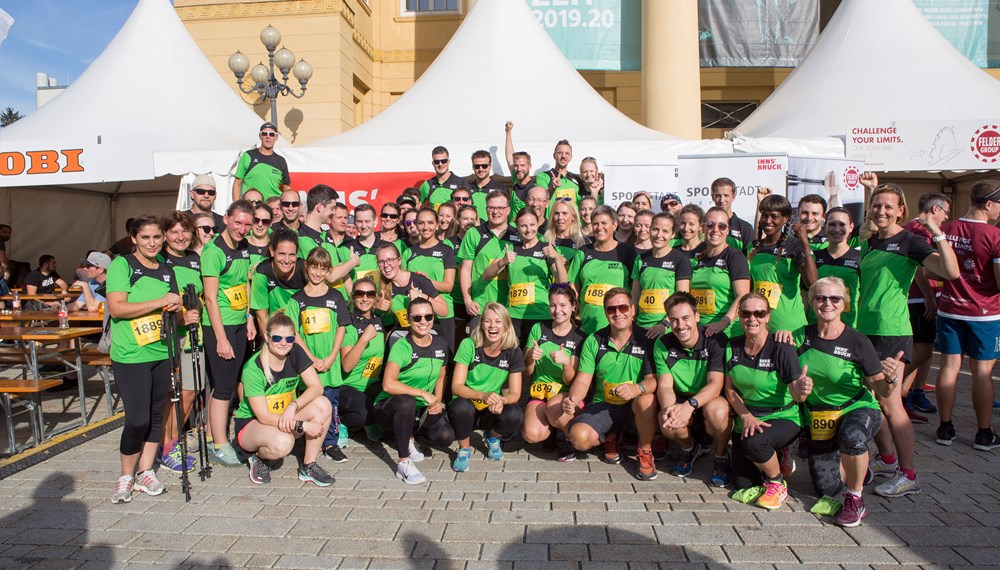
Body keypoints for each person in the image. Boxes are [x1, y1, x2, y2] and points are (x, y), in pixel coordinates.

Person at [858, 182, 958, 499]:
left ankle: (908, 474)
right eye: (877, 205)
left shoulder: (911, 241)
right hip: (865, 330)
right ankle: (887, 460)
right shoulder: (871, 240)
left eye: (889, 206)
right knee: (870, 400)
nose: (882, 210)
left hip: (891, 332)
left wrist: (936, 232)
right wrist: (869, 192)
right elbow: (866, 224)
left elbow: (950, 272)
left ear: (901, 210)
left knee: (891, 403)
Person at [106, 215, 193, 503]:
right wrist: (158, 302)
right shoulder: (123, 265)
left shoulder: (168, 270)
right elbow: (117, 308)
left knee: (156, 416)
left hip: (162, 352)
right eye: (145, 237)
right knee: (137, 419)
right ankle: (125, 476)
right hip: (131, 354)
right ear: (134, 238)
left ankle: (146, 472)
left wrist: (182, 312)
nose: (152, 243)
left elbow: (173, 314)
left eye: (157, 237)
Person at [800, 277, 894, 528]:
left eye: (835, 298)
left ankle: (855, 498)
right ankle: (860, 469)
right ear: (811, 302)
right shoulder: (799, 337)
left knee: (852, 437)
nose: (827, 303)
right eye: (820, 298)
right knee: (827, 489)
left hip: (856, 408)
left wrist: (891, 379)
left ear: (845, 304)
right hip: (818, 416)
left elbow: (881, 390)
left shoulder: (858, 342)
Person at [724, 293, 809, 510]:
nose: (753, 318)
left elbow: (798, 396)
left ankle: (777, 481)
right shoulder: (731, 346)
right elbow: (730, 390)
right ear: (739, 316)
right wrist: (745, 415)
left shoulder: (782, 347)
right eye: (745, 313)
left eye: (759, 313)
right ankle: (776, 456)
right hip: (749, 417)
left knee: (755, 443)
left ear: (768, 316)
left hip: (782, 416)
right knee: (743, 484)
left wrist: (802, 390)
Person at [562, 288, 658, 480]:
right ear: (606, 313)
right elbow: (582, 379)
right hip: (603, 405)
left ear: (632, 310)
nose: (617, 313)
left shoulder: (647, 339)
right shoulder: (594, 340)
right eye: (611, 309)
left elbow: (655, 380)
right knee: (578, 439)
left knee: (646, 400)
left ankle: (646, 451)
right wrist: (573, 398)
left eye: (623, 307)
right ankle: (610, 436)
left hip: (635, 406)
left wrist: (636, 389)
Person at [933, 180, 1000, 450]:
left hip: (949, 308)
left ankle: (945, 428)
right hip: (984, 313)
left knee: (949, 367)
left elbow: (930, 272)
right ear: (988, 204)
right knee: (982, 373)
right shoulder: (995, 236)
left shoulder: (946, 229)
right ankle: (984, 434)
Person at [233, 312, 334, 486]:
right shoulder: (253, 368)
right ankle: (256, 456)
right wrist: (303, 425)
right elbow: (264, 416)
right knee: (283, 443)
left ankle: (308, 466)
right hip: (254, 424)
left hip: (284, 417)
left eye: (289, 339)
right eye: (277, 338)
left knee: (323, 405)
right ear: (266, 336)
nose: (283, 343)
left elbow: (316, 387)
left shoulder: (295, 352)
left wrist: (294, 405)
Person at [373, 298, 454, 484]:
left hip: (419, 408)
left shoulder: (441, 344)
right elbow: (388, 384)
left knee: (446, 436)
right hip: (388, 406)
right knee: (406, 401)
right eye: (417, 318)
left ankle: (409, 436)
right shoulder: (402, 346)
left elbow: (441, 377)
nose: (423, 321)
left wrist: (437, 401)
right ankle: (403, 463)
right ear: (409, 319)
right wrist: (423, 393)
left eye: (428, 316)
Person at [653, 292, 731, 484]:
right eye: (674, 320)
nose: (680, 326)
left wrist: (689, 406)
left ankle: (721, 455)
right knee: (665, 419)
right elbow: (664, 386)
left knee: (718, 410)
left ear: (697, 317)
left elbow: (716, 384)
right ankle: (689, 448)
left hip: (707, 400)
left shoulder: (715, 340)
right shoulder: (662, 344)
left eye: (686, 318)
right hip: (682, 399)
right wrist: (670, 409)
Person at [201, 199, 256, 466]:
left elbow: (244, 285)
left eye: (247, 224)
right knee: (223, 387)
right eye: (237, 223)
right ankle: (220, 444)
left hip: (238, 323)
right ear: (226, 218)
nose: (242, 229)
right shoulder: (214, 251)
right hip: (218, 326)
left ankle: (214, 433)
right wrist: (221, 337)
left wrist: (248, 317)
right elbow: (210, 298)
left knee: (230, 383)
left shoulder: (243, 248)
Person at [286, 248, 351, 461]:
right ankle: (306, 440)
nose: (318, 273)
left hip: (329, 362)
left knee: (331, 404)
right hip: (308, 364)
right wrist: (310, 359)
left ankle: (330, 443)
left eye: (323, 269)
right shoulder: (297, 300)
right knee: (309, 402)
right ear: (307, 267)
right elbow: (294, 332)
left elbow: (342, 327)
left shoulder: (336, 296)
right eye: (314, 267)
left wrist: (332, 356)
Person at [449, 303, 525, 471]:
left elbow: (516, 393)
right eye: (488, 321)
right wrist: (483, 395)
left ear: (506, 325)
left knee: (515, 414)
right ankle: (464, 448)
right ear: (481, 324)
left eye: (498, 321)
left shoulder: (513, 351)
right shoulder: (468, 345)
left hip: (490, 408)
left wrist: (502, 400)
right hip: (469, 404)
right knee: (461, 407)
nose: (492, 326)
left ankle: (492, 437)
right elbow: (456, 387)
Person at [900, 193, 952, 422]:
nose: (947, 216)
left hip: (916, 298)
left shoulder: (911, 226)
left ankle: (907, 395)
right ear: (934, 210)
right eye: (945, 211)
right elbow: (920, 270)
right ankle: (894, 392)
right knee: (921, 351)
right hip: (918, 299)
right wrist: (929, 298)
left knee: (923, 348)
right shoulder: (920, 231)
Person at [158, 210, 202, 473]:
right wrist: (181, 319)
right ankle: (166, 446)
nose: (180, 236)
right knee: (171, 394)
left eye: (185, 231)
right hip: (171, 336)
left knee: (191, 391)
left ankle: (172, 441)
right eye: (174, 231)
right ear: (165, 235)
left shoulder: (195, 259)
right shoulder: (160, 261)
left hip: (196, 334)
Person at [521, 287, 585, 461]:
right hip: (539, 392)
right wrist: (530, 358)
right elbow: (528, 373)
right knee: (531, 434)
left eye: (563, 305)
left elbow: (573, 382)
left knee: (553, 407)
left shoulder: (580, 337)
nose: (558, 311)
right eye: (553, 305)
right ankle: (550, 432)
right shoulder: (538, 329)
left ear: (573, 306)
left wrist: (566, 364)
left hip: (564, 394)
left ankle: (567, 437)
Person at [484, 209, 567, 339]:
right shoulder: (510, 248)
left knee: (533, 356)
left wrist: (556, 257)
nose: (529, 230)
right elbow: (487, 275)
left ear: (538, 224)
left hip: (539, 313)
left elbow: (563, 282)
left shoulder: (546, 248)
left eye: (532, 225)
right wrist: (502, 262)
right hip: (513, 314)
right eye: (524, 226)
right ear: (517, 227)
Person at [749, 194, 817, 344]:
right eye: (764, 216)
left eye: (774, 216)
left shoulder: (794, 246)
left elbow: (812, 282)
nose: (768, 221)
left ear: (785, 218)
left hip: (788, 326)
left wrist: (805, 243)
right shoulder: (754, 247)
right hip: (760, 325)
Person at [570, 205, 639, 334]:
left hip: (618, 325)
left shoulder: (627, 252)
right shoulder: (583, 252)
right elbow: (573, 284)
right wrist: (575, 309)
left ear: (614, 225)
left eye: (604, 223)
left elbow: (635, 289)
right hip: (586, 324)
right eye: (595, 224)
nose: (599, 227)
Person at [338, 276, 386, 449]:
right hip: (348, 385)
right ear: (352, 296)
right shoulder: (348, 323)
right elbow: (346, 365)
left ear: (375, 297)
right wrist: (364, 338)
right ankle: (340, 421)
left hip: (371, 383)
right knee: (366, 413)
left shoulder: (379, 321)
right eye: (359, 294)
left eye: (370, 294)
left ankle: (370, 420)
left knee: (394, 403)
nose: (365, 298)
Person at [458, 190, 519, 324]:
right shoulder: (474, 234)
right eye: (491, 208)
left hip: (509, 309)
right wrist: (468, 301)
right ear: (486, 210)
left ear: (508, 210)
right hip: (480, 306)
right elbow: (465, 269)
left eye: (500, 208)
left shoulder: (518, 235)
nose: (495, 212)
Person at [691, 207, 751, 338]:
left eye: (722, 226)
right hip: (699, 332)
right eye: (710, 225)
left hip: (726, 333)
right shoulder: (697, 259)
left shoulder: (735, 257)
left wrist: (724, 322)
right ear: (703, 228)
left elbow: (743, 295)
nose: (715, 230)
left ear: (728, 230)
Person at [405, 208, 458, 349]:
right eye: (421, 223)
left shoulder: (446, 251)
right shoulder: (409, 252)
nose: (425, 227)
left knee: (445, 358)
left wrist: (427, 282)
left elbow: (448, 286)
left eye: (430, 223)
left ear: (436, 225)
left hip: (442, 312)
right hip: (417, 314)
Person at [631, 213, 691, 336]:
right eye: (655, 229)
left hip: (667, 330)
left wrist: (665, 324)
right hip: (641, 327)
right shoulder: (640, 259)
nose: (659, 235)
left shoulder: (680, 260)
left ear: (673, 234)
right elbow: (635, 298)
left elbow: (682, 300)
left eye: (665, 231)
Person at [374, 243, 447, 335]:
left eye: (390, 260)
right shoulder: (380, 288)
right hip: (401, 335)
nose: (385, 265)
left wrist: (422, 296)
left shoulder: (419, 280)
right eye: (381, 262)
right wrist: (375, 307)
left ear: (399, 261)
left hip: (428, 333)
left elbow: (444, 311)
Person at [809, 208, 861, 327]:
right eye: (832, 224)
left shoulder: (859, 258)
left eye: (842, 224)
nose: (837, 229)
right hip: (815, 325)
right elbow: (804, 293)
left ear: (851, 227)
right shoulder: (814, 257)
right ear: (824, 226)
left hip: (849, 326)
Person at [250, 229, 306, 335]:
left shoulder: (304, 269)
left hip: (302, 328)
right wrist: (270, 344)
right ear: (272, 251)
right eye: (282, 254)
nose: (286, 260)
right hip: (276, 329)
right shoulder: (263, 272)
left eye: (292, 255)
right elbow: (262, 317)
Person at [232, 122, 291, 202]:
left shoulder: (281, 161)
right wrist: (236, 205)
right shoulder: (248, 156)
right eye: (264, 134)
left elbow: (287, 188)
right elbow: (237, 183)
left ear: (276, 137)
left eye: (271, 134)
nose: (268, 137)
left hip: (273, 209)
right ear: (260, 136)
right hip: (252, 205)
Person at [711, 177, 754, 256]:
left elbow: (749, 259)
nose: (721, 200)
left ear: (733, 196)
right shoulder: (705, 226)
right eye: (718, 196)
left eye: (726, 195)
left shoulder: (745, 228)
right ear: (712, 196)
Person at [545, 199, 587, 275]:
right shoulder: (545, 240)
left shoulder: (583, 242)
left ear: (573, 217)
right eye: (556, 213)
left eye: (564, 213)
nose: (560, 217)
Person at [535, 140, 583, 204]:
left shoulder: (577, 179)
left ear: (571, 157)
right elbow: (541, 201)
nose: (563, 156)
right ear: (554, 155)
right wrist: (552, 188)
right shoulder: (543, 176)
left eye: (567, 153)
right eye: (560, 153)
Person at [420, 146, 466, 210]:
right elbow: (417, 204)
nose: (440, 164)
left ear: (448, 161)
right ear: (433, 163)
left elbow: (469, 207)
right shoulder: (427, 185)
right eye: (437, 162)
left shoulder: (461, 182)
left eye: (443, 161)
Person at [349, 203, 384, 284]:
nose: (363, 226)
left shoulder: (387, 247)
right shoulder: (347, 248)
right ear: (354, 222)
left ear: (375, 221)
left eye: (367, 221)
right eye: (359, 221)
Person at [468, 150, 507, 221]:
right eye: (477, 166)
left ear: (490, 166)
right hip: (472, 230)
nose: (480, 169)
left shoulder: (500, 189)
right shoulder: (467, 188)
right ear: (473, 167)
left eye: (484, 166)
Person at [246, 205, 273, 270]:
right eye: (256, 220)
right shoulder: (241, 244)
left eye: (265, 221)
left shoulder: (275, 245)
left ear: (271, 222)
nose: (260, 225)